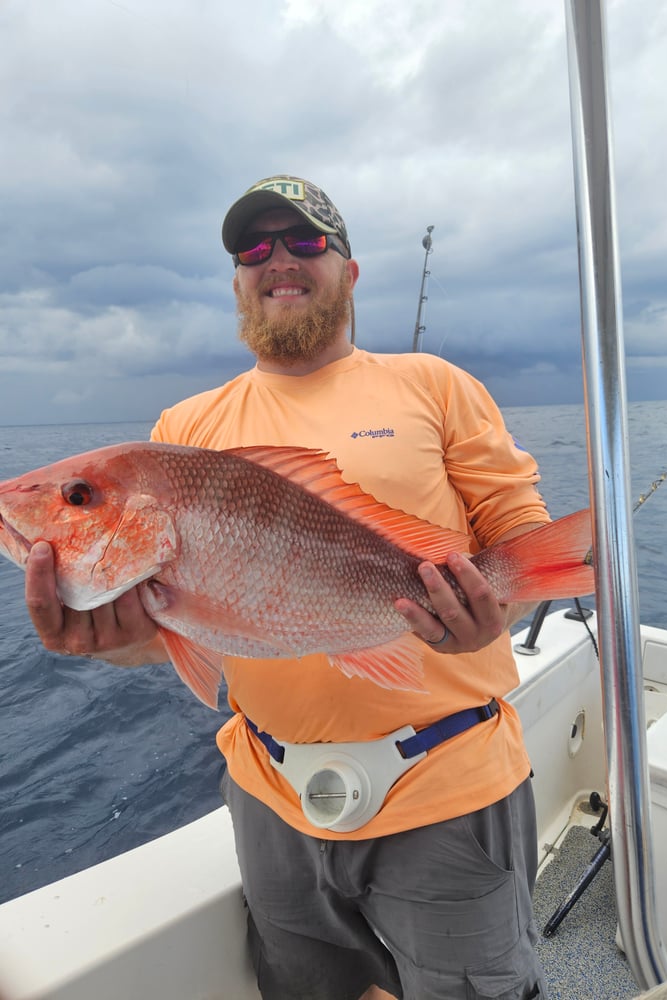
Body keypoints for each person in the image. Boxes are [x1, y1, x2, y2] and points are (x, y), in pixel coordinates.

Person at [25, 174, 552, 1000]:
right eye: (253, 248)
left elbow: (520, 540)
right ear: (237, 277)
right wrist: (108, 641)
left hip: (448, 787)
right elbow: (172, 637)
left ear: (349, 270)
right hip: (269, 797)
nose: (278, 260)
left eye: (306, 242)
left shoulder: (434, 385)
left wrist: (493, 613)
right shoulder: (184, 431)